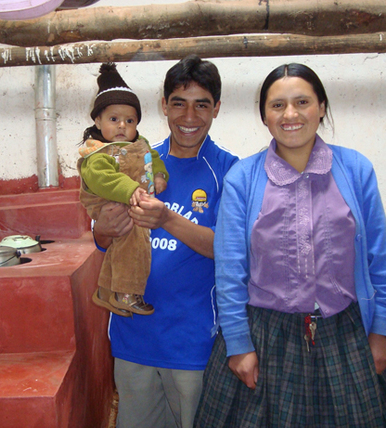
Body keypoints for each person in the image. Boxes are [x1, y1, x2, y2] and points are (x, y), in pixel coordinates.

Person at [194, 63, 386, 427]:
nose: (291, 114)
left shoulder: (356, 169)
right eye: (277, 105)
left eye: (302, 102)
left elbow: (381, 260)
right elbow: (230, 270)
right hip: (265, 339)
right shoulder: (244, 178)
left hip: (344, 337)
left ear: (322, 107)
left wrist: (381, 333)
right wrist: (238, 345)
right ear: (265, 115)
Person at [93, 55, 239, 428]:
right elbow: (104, 240)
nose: (189, 117)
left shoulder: (230, 171)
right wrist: (103, 229)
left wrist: (168, 219)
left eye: (201, 105)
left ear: (216, 109)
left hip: (193, 344)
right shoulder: (136, 159)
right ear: (164, 106)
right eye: (178, 103)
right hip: (132, 338)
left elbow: (229, 250)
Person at [79, 62, 169, 316]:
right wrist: (130, 190)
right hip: (107, 200)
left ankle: (107, 292)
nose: (122, 126)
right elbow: (102, 178)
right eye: (114, 119)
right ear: (98, 120)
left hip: (130, 199)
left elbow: (153, 157)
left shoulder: (140, 144)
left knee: (122, 244)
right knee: (135, 241)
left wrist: (160, 174)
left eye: (129, 120)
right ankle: (128, 292)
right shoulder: (96, 152)